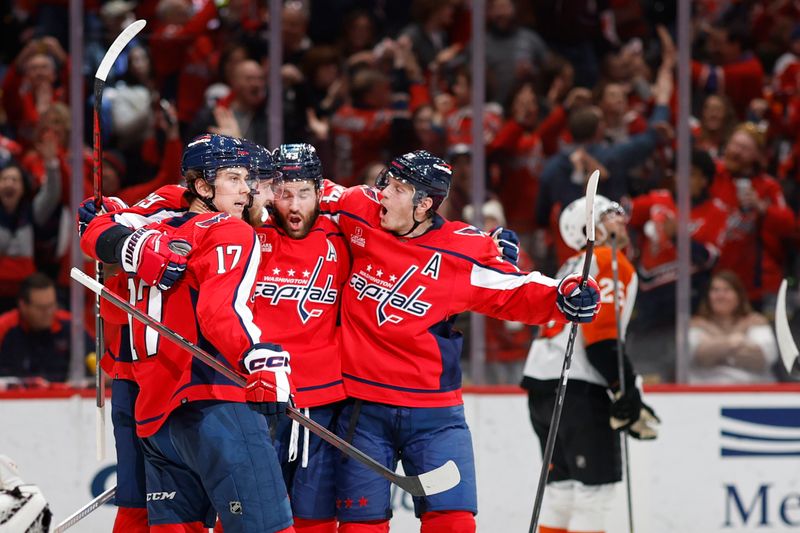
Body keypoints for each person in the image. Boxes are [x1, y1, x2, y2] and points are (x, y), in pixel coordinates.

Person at [319, 150, 601, 532]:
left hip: (433, 416)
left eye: (398, 189)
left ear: (423, 206)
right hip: (362, 409)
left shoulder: (462, 249)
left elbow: (515, 289)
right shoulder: (358, 207)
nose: (383, 193)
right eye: (386, 182)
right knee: (360, 526)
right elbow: (305, 190)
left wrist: (564, 295)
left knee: (453, 522)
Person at [81, 134, 294, 532]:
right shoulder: (227, 230)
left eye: (248, 178)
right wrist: (258, 358)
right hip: (216, 402)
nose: (246, 189)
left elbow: (95, 227)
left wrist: (106, 225)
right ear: (201, 186)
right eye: (234, 178)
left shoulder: (149, 225)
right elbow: (219, 311)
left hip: (156, 420)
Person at [521, 195, 659, 533]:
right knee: (594, 495)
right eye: (611, 214)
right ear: (591, 227)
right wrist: (624, 390)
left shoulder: (569, 267)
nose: (622, 218)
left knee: (561, 492)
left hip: (541, 388)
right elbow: (601, 339)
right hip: (579, 389)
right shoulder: (609, 261)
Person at [255, 143, 349, 533]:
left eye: (304, 193)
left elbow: (418, 230)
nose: (294, 205)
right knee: (251, 514)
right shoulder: (249, 232)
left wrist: (486, 242)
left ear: (320, 190)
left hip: (324, 401)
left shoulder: (344, 231)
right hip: (259, 398)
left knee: (317, 518)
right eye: (284, 193)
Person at [689, 270, 779, 384]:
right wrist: (734, 341)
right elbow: (700, 358)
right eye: (715, 290)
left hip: (752, 392)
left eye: (727, 290)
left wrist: (714, 347)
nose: (720, 295)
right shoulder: (696, 324)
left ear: (739, 295)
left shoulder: (755, 321)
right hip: (704, 394)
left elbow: (761, 359)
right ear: (708, 296)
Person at [0, 273, 92, 383]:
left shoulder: (70, 325)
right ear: (23, 306)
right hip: (14, 397)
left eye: (52, 305)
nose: (49, 313)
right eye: (41, 308)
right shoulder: (5, 327)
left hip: (63, 396)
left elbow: (96, 359)